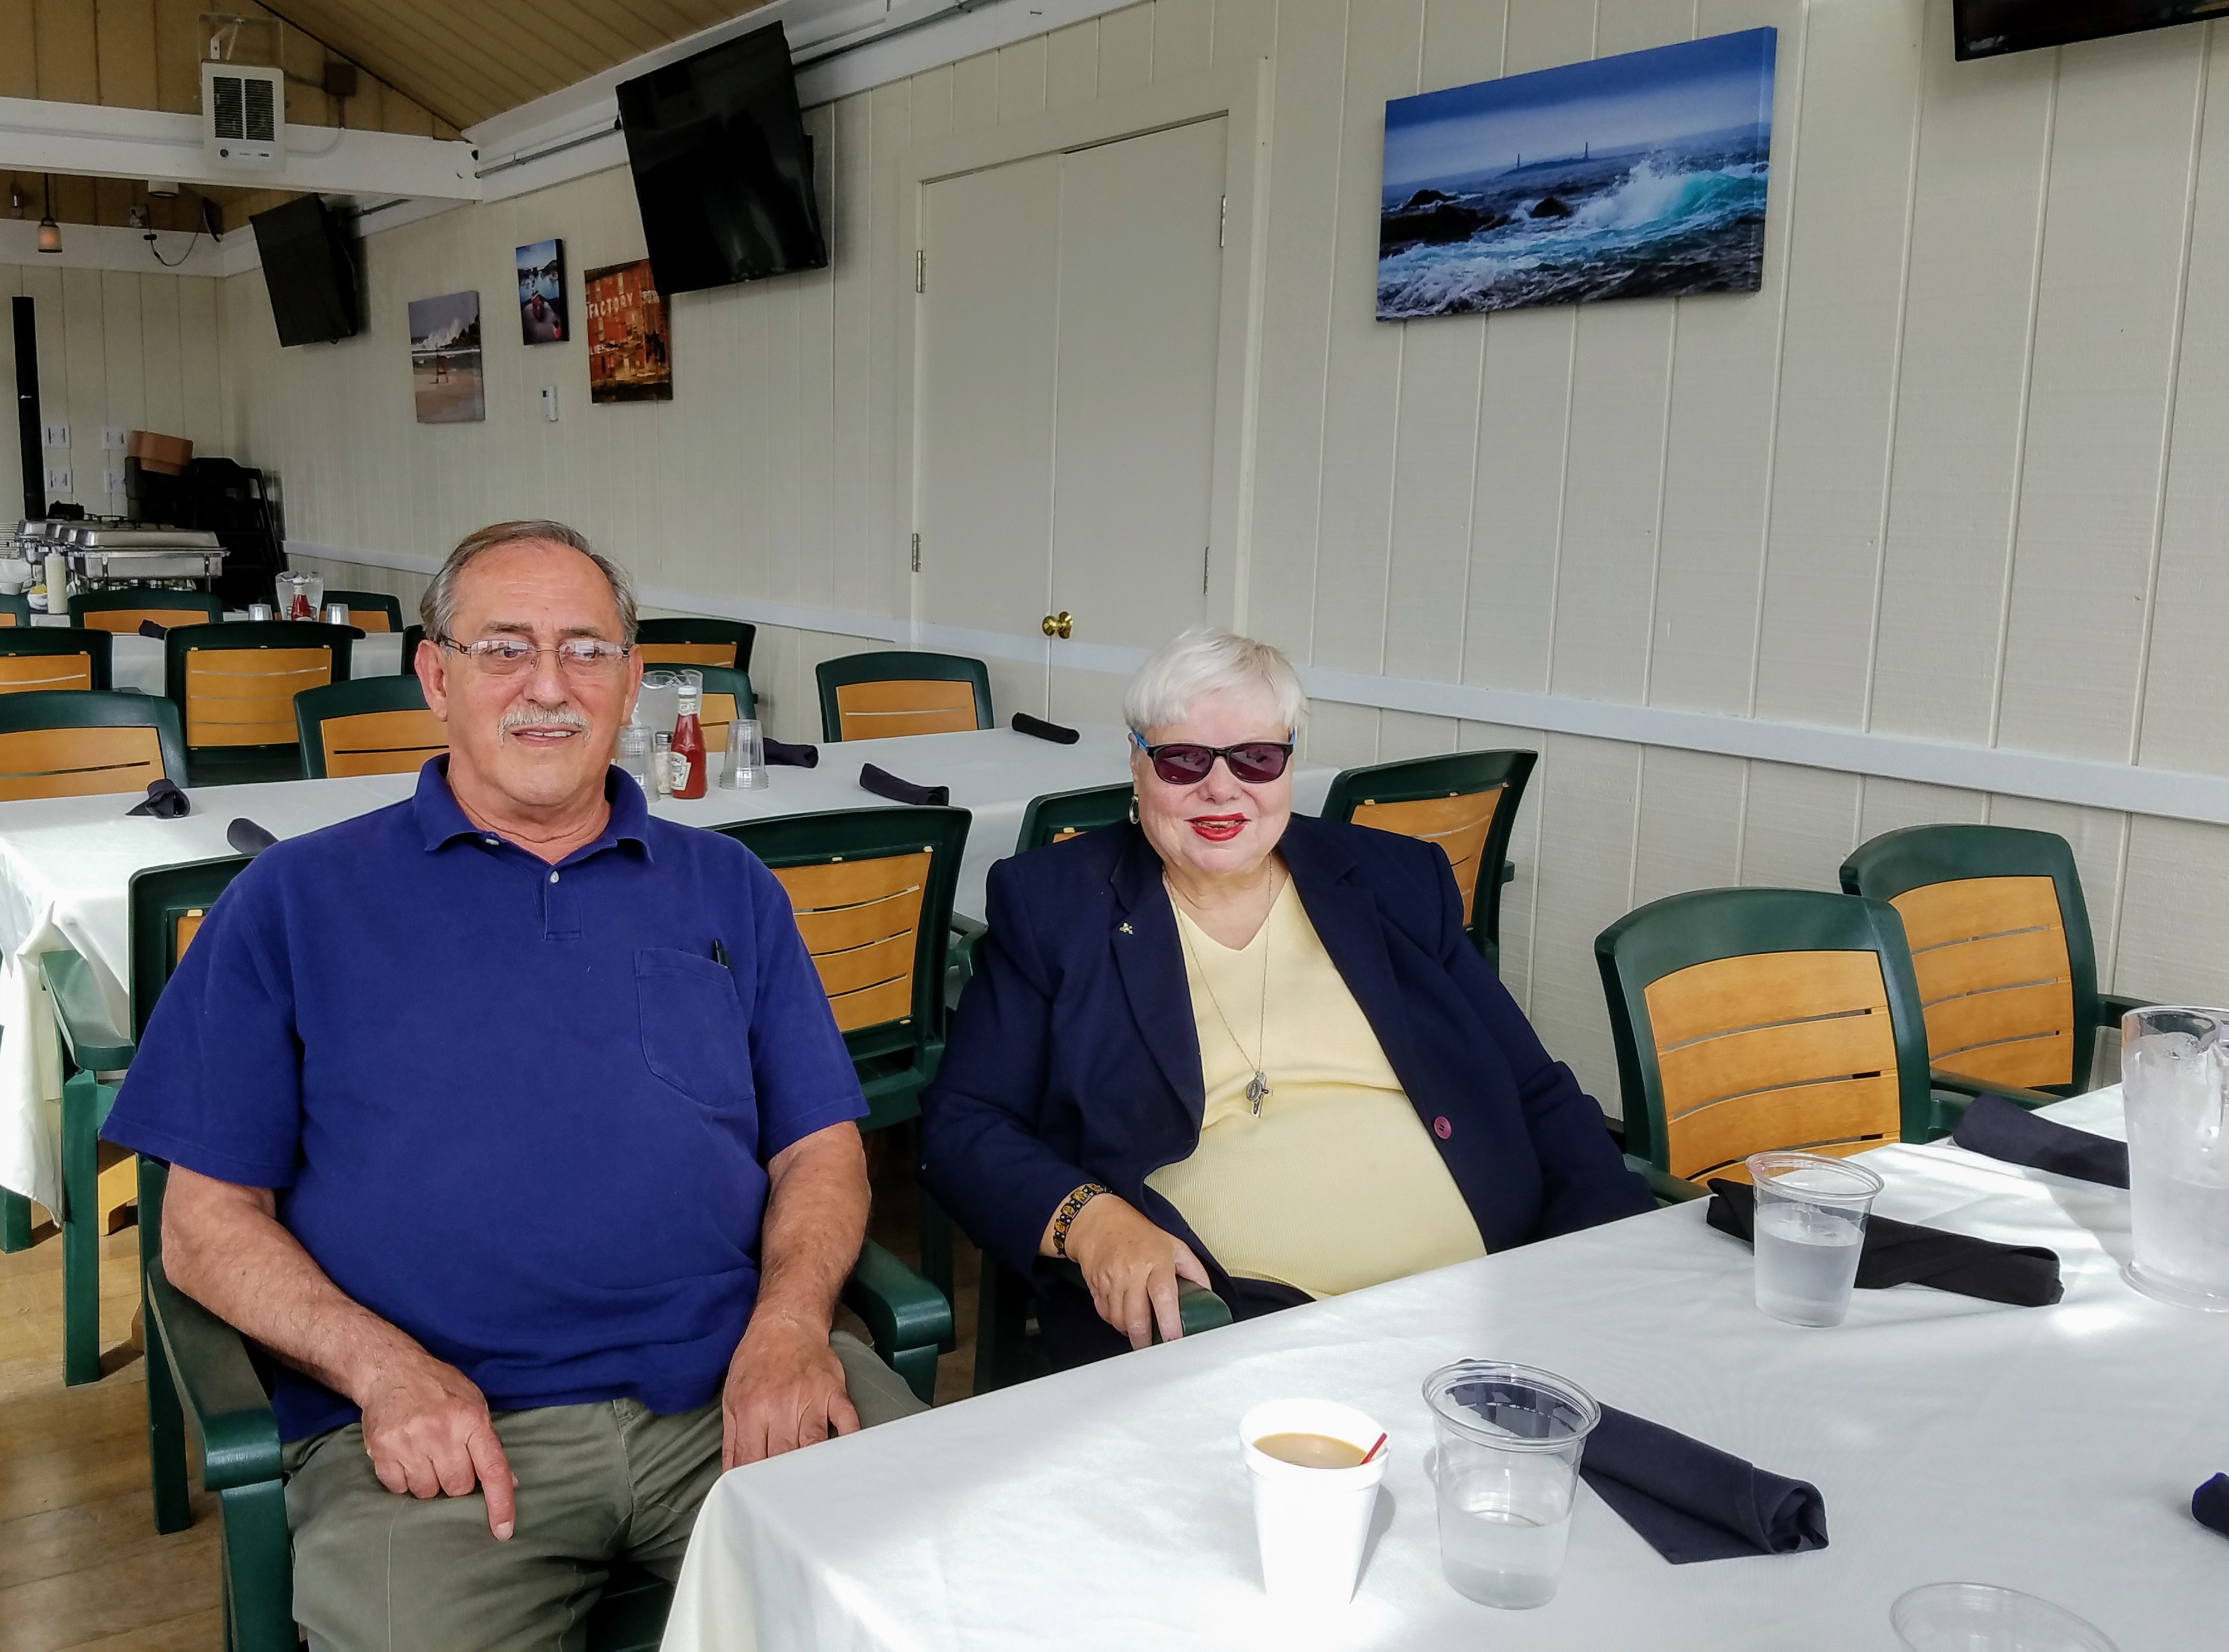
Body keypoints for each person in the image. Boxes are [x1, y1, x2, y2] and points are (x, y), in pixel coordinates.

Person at [103, 519, 923, 1649]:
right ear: (436, 676)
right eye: (503, 649)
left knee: (936, 1589)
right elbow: (201, 1226)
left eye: (586, 649)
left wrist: (789, 1325)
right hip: (437, 1429)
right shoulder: (293, 901)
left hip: (734, 1383)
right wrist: (382, 1370)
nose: (548, 685)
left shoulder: (728, 885)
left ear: (630, 681)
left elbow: (819, 1147)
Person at [921, 626, 1649, 1369]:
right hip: (1243, 1333)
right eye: (1183, 760)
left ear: (1288, 764)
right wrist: (1090, 1220)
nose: (1221, 788)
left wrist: (1622, 1259)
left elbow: (1534, 1090)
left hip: (1492, 1297)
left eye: (1256, 759)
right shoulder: (1058, 905)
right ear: (1136, 763)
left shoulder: (1393, 879)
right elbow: (965, 1124)